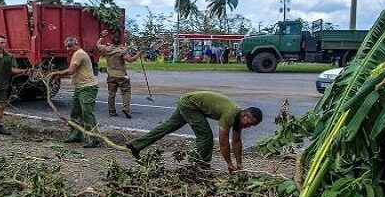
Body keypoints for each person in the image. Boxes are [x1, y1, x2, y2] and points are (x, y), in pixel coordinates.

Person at [125, 91, 262, 173]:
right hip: (190, 105)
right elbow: (223, 142)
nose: (248, 127)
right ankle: (199, 166)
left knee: (168, 127)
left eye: (251, 126)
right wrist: (229, 164)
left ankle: (136, 145)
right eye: (249, 123)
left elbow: (237, 142)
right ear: (244, 114)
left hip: (190, 102)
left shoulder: (238, 120)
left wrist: (239, 164)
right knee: (206, 137)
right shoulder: (231, 114)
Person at [49, 36, 100, 148]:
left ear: (76, 44)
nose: (68, 49)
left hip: (88, 88)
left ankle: (94, 138)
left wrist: (55, 73)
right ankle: (75, 136)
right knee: (75, 112)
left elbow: (71, 71)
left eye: (70, 46)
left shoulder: (79, 54)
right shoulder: (75, 54)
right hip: (79, 88)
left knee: (87, 113)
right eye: (67, 46)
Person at [97, 29, 136, 118]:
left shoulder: (106, 48)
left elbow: (98, 45)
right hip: (121, 75)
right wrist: (138, 55)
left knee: (111, 94)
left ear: (111, 41)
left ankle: (111, 111)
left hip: (111, 75)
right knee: (126, 92)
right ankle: (126, 109)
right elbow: (130, 60)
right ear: (120, 41)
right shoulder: (122, 50)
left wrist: (102, 37)